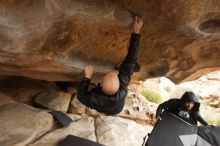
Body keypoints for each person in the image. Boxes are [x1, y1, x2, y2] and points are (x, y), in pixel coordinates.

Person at [77, 16, 143, 115]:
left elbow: (80, 95)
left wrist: (87, 78)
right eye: (116, 75)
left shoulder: (92, 98)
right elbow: (131, 58)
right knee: (127, 66)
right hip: (117, 109)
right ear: (120, 83)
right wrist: (136, 32)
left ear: (100, 84)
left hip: (111, 108)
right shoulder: (123, 88)